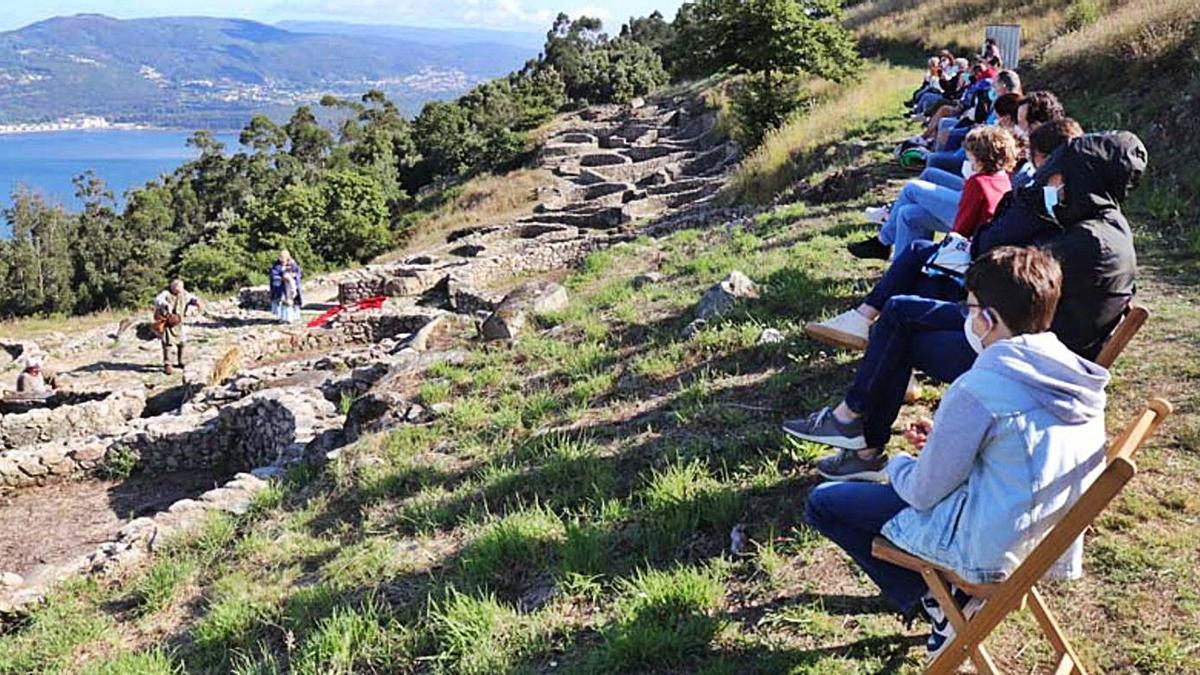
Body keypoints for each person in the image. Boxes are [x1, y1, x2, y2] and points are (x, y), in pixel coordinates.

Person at [785, 131, 1146, 481]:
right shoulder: (1103, 230)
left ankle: (857, 431)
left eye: (1056, 176)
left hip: (1022, 362)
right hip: (1030, 344)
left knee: (898, 322)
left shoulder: (1085, 241)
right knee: (902, 310)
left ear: (1080, 179)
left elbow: (994, 271)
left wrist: (1026, 203)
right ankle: (856, 433)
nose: (1050, 183)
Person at [804, 245, 1109, 658]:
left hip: (989, 547)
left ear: (988, 319)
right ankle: (941, 599)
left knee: (824, 503)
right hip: (1042, 537)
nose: (966, 318)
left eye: (969, 309)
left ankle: (940, 601)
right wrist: (948, 440)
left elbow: (923, 491)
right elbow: (1020, 448)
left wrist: (896, 464)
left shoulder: (980, 386)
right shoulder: (1072, 376)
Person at [809, 119, 1085, 351]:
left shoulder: (1019, 196)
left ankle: (878, 295)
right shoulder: (1032, 191)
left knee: (915, 226)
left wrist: (951, 247)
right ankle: (884, 287)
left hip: (982, 270)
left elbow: (968, 231)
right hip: (991, 262)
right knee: (910, 215)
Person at [852, 126, 1017, 261]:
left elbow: (963, 227)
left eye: (971, 159)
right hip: (982, 228)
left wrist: (946, 249)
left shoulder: (978, 182)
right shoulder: (1001, 177)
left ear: (981, 158)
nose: (969, 162)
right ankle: (901, 270)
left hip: (974, 234)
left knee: (911, 189)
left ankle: (882, 242)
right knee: (908, 213)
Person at [153, 279, 203, 375]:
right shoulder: (165, 294)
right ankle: (168, 365)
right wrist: (165, 304)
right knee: (167, 344)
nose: (180, 290)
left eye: (181, 288)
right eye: (178, 288)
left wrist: (196, 302)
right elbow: (158, 300)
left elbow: (191, 298)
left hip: (180, 321)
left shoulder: (184, 294)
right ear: (173, 287)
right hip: (167, 322)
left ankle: (181, 361)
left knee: (182, 342)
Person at [269, 249, 303, 324]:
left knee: (291, 302)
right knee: (282, 302)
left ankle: (292, 318)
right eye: (280, 257)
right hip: (280, 287)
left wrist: (293, 276)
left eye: (283, 258)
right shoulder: (276, 265)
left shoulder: (292, 264)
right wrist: (281, 278)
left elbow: (298, 273)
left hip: (291, 286)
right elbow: (273, 275)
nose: (282, 259)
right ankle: (282, 318)